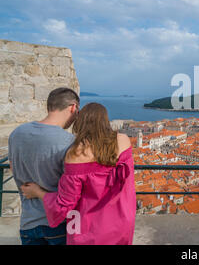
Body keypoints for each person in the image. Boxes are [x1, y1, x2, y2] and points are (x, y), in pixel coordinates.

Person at [21, 102, 136, 245]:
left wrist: (37, 192)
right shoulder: (123, 141)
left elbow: (64, 204)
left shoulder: (76, 155)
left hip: (88, 229)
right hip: (121, 221)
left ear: (81, 122)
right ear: (105, 121)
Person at [8, 87, 80, 245]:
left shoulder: (16, 133)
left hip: (28, 222)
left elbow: (13, 168)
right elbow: (73, 187)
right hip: (59, 224)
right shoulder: (69, 141)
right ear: (73, 108)